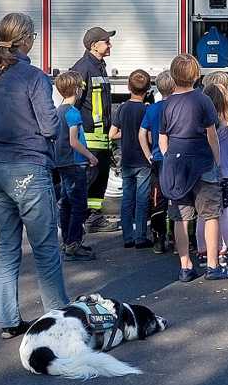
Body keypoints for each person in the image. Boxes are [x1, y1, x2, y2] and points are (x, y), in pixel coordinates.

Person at [0, 13, 69, 339]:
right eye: (34, 36)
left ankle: (8, 321)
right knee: (45, 248)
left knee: (7, 247)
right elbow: (48, 128)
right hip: (28, 169)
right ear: (26, 39)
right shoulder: (34, 77)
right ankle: (57, 320)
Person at [159, 54, 228, 281]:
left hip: (177, 165)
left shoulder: (166, 105)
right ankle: (213, 266)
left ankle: (185, 266)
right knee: (211, 214)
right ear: (196, 75)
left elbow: (162, 139)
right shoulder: (202, 101)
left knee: (180, 216)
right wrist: (215, 160)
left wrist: (169, 158)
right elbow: (212, 135)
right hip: (203, 163)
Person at [71, 26, 117, 232]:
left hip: (101, 135)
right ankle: (84, 219)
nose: (110, 45)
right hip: (90, 136)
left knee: (100, 178)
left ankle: (94, 217)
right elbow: (74, 102)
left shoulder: (99, 66)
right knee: (91, 179)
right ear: (93, 45)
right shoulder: (83, 68)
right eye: (106, 41)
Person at [53, 71, 99, 262]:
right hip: (75, 163)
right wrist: (90, 156)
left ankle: (66, 242)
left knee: (66, 202)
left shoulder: (57, 111)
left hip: (62, 162)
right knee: (79, 205)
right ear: (78, 90)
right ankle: (74, 244)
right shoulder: (73, 113)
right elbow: (73, 141)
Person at [109, 70, 154, 249]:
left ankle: (127, 237)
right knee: (142, 199)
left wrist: (126, 134)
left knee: (127, 197)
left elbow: (112, 134)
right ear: (148, 89)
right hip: (143, 160)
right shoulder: (146, 110)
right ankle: (140, 237)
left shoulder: (122, 108)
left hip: (126, 159)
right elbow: (149, 138)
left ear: (128, 87)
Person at [196, 84, 228, 266]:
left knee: (202, 214)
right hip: (226, 173)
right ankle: (221, 250)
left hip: (205, 171)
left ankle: (203, 249)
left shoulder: (201, 123)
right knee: (224, 213)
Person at [139, 70, 176, 254]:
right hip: (176, 159)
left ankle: (158, 240)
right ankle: (180, 239)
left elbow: (141, 134)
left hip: (158, 159)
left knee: (157, 200)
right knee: (178, 198)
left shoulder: (152, 109)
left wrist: (148, 155)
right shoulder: (179, 105)